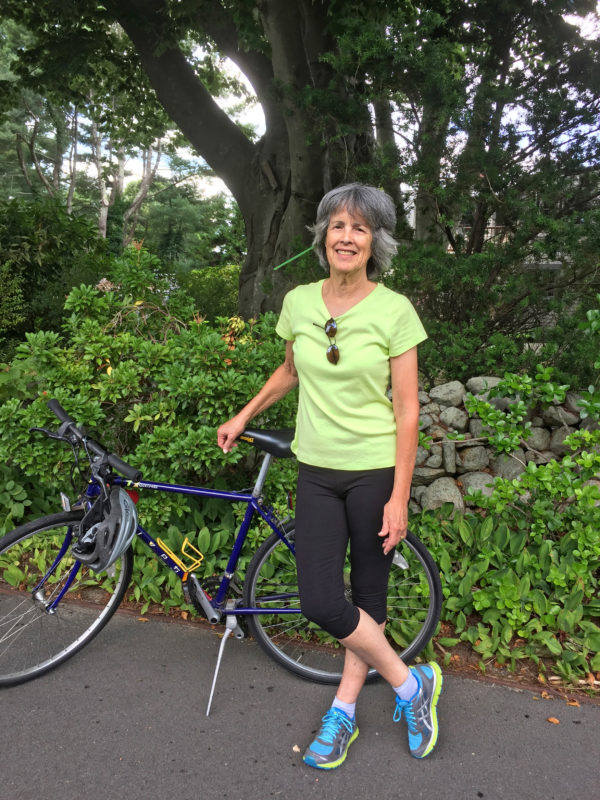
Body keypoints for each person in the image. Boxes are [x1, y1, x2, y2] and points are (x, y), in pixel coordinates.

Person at [217, 183, 442, 769]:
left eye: (360, 228)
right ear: (322, 236)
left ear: (376, 243)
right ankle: (411, 684)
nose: (347, 236)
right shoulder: (298, 302)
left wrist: (400, 497)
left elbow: (407, 409)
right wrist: (244, 414)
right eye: (337, 226)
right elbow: (289, 371)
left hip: (374, 473)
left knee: (369, 595)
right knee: (321, 599)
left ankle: (343, 711)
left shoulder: (394, 310)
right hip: (316, 468)